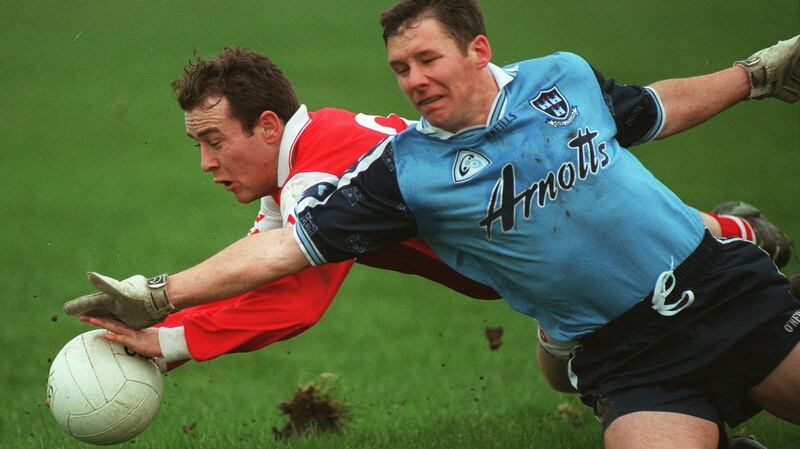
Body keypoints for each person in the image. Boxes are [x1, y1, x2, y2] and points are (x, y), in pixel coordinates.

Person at [64, 2, 800, 446]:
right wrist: (164, 316)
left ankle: (726, 233)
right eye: (400, 67)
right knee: (561, 351)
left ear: (478, 50)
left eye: (213, 141)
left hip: (687, 284)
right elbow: (272, 255)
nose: (205, 163)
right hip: (592, 323)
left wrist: (758, 74)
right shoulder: (345, 164)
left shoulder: (323, 173)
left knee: (575, 248)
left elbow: (292, 293)